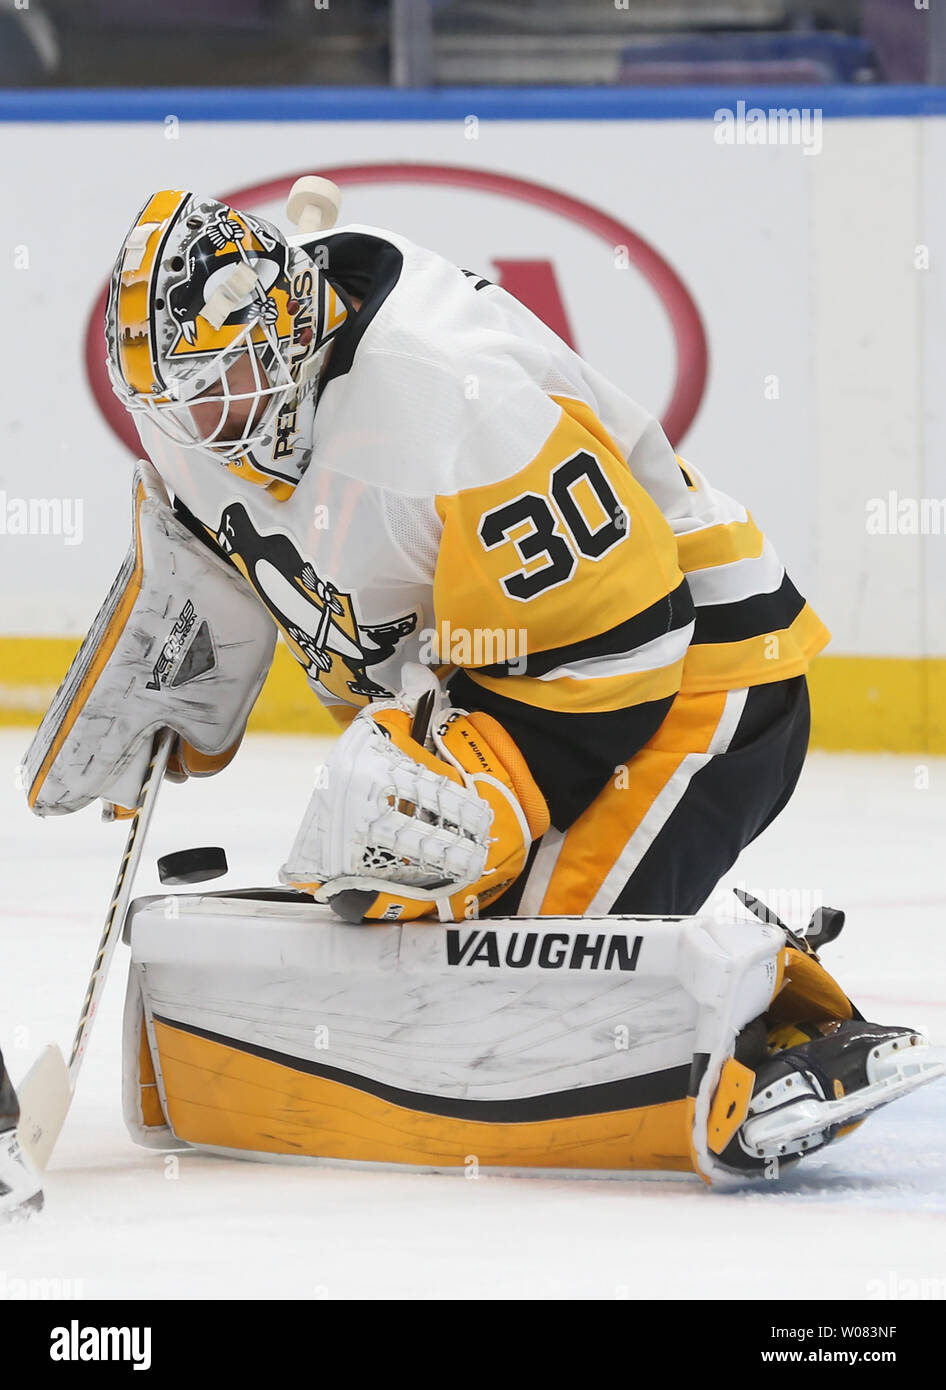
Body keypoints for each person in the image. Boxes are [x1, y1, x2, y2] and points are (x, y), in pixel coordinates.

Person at [103, 186, 829, 925]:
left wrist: (490, 787)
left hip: (698, 667)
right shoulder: (219, 405)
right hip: (513, 678)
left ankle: (799, 1032)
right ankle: (742, 1000)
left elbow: (624, 631)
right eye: (165, 400)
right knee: (429, 967)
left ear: (283, 330)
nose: (189, 421)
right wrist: (186, 666)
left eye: (209, 383)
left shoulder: (452, 404)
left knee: (534, 983)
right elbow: (246, 545)